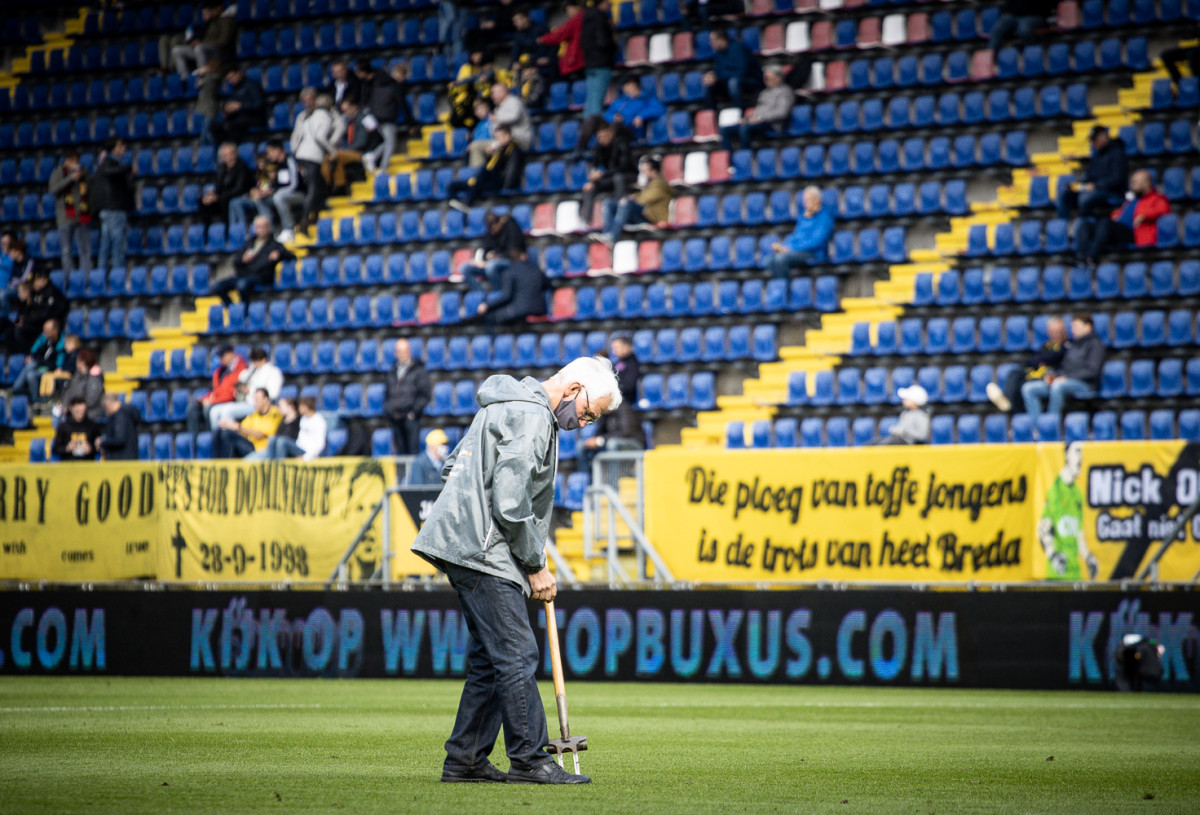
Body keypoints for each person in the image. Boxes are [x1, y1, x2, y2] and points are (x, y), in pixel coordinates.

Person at [411, 356, 622, 785]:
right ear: (575, 387)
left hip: (464, 542)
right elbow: (510, 500)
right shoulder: (533, 416)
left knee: (491, 659)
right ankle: (529, 759)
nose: (583, 424)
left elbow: (453, 466)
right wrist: (535, 564)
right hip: (486, 548)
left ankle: (466, 759)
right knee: (517, 653)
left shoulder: (500, 404)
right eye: (587, 413)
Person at [1074, 169, 1170, 267]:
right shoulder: (1132, 199)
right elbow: (1121, 211)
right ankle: (1081, 257)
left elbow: (1164, 209)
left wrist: (1144, 215)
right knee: (1085, 225)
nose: (1132, 185)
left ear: (1146, 183)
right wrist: (1115, 215)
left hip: (1134, 233)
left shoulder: (1156, 198)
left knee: (1106, 223)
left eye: (1135, 182)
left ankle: (1091, 257)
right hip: (1117, 230)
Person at [1021, 313, 1106, 420]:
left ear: (1088, 326)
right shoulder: (1073, 345)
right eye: (1072, 327)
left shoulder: (1095, 345)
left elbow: (1092, 371)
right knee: (1029, 388)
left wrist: (1066, 378)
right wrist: (1054, 376)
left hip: (1085, 385)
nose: (1073, 330)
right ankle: (1037, 427)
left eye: (1076, 327)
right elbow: (1064, 367)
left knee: (1058, 387)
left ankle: (1050, 425)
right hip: (1064, 381)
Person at [580, 336, 643, 473]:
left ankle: (613, 486)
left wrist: (600, 440)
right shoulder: (605, 409)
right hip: (613, 439)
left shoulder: (624, 407)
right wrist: (595, 439)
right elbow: (601, 430)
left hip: (632, 442)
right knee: (582, 446)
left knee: (612, 444)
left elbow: (626, 433)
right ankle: (588, 484)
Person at [1038, 442, 1098, 580]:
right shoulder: (1054, 489)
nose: (1080, 457)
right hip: (1056, 574)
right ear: (1066, 455)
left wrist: (1088, 558)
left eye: (1081, 452)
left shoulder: (1077, 493)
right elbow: (1043, 528)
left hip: (1075, 573)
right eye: (1077, 452)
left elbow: (1079, 533)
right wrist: (1053, 556)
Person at [986, 316, 1067, 414]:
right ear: (1048, 332)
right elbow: (1031, 360)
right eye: (1053, 331)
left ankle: (1009, 406)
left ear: (1063, 331)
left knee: (1024, 387)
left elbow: (1054, 357)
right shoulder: (1047, 346)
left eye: (1058, 331)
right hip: (1036, 374)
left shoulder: (1066, 346)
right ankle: (1008, 401)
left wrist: (1042, 360)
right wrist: (1041, 360)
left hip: (1049, 377)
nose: (1056, 334)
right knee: (1015, 374)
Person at [290, 92, 344, 239]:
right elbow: (320, 137)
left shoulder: (309, 117)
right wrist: (332, 151)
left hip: (302, 154)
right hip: (312, 156)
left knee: (319, 187)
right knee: (314, 190)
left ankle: (314, 216)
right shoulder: (324, 116)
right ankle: (304, 223)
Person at [212, 215, 295, 307]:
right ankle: (233, 309)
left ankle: (245, 310)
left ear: (269, 228)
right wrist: (243, 260)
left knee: (242, 285)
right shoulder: (249, 243)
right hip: (243, 275)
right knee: (217, 286)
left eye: (264, 226)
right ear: (255, 229)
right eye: (259, 227)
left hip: (261, 277)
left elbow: (292, 257)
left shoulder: (275, 245)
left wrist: (279, 254)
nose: (262, 229)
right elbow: (236, 261)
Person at [590, 156, 672, 247]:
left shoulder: (660, 185)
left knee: (627, 203)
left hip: (651, 219)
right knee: (608, 203)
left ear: (654, 172)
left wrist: (630, 199)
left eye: (645, 171)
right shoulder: (650, 185)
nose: (643, 174)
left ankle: (612, 237)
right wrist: (632, 197)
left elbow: (643, 200)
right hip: (643, 215)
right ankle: (606, 233)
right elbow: (641, 196)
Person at [1057, 126, 1129, 221]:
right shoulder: (1096, 156)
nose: (1093, 143)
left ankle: (1086, 226)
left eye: (1094, 139)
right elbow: (1090, 177)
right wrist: (1078, 185)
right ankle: (1063, 226)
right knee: (1065, 192)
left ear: (1103, 136)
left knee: (1086, 197)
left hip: (1112, 192)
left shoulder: (1117, 153)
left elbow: (1118, 179)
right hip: (1094, 190)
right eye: (1092, 140)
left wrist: (1096, 185)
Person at [577, 75, 664, 151]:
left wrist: (641, 116)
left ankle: (603, 151)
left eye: (627, 85)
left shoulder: (646, 98)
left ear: (634, 84)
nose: (625, 88)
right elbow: (607, 115)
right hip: (612, 128)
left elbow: (659, 109)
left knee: (616, 126)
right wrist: (613, 118)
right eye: (624, 86)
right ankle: (580, 149)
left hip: (630, 131)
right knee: (593, 119)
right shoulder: (621, 100)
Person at [763, 186, 835, 278]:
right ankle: (782, 287)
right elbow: (796, 236)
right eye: (804, 200)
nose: (805, 204)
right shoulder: (803, 217)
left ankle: (786, 288)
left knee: (781, 259)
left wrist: (792, 248)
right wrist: (785, 246)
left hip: (813, 253)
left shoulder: (825, 218)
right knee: (768, 261)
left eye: (808, 200)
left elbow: (817, 242)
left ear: (817, 200)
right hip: (797, 252)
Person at [577, 121, 636, 233]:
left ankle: (619, 214)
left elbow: (623, 166)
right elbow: (594, 165)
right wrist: (592, 181)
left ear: (611, 134)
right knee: (590, 188)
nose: (603, 139)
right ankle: (585, 221)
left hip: (628, 175)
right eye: (600, 137)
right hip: (610, 176)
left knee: (618, 178)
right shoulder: (599, 147)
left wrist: (603, 174)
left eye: (605, 136)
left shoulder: (622, 143)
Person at [448, 125, 525, 208]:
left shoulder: (514, 150)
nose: (496, 140)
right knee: (452, 185)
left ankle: (468, 202)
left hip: (499, 182)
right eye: (496, 137)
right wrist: (489, 155)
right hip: (486, 181)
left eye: (498, 137)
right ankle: (455, 209)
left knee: (482, 170)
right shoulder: (500, 150)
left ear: (507, 136)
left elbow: (511, 171)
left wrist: (506, 187)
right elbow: (491, 166)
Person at [719, 67, 793, 152]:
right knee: (725, 130)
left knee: (744, 128)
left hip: (771, 124)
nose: (766, 81)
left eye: (768, 78)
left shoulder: (785, 91)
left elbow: (782, 112)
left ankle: (745, 156)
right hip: (756, 122)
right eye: (765, 79)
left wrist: (760, 118)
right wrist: (747, 118)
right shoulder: (764, 92)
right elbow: (758, 111)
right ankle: (729, 158)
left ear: (778, 78)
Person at [208, 345, 284, 429]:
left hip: (257, 405)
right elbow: (241, 376)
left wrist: (250, 390)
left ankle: (227, 439)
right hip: (247, 402)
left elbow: (273, 394)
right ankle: (217, 438)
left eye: (257, 360)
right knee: (214, 411)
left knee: (226, 411)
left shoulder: (274, 372)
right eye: (253, 360)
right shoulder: (254, 370)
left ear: (264, 359)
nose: (255, 363)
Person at [90, 139, 135, 273]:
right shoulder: (109, 161)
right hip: (113, 209)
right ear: (114, 148)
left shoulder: (109, 162)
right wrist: (128, 169)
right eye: (121, 145)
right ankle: (118, 275)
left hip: (110, 209)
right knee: (117, 245)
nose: (124, 148)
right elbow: (110, 171)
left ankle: (101, 274)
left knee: (106, 244)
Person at [354, 58, 406, 174]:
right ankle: (383, 167)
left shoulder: (378, 82)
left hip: (376, 116)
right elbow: (402, 103)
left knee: (389, 141)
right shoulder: (392, 85)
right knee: (391, 142)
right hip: (386, 117)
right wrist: (411, 122)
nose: (402, 78)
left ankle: (372, 156)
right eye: (401, 75)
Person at [454, 211, 527, 291]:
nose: (492, 231)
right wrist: (484, 258)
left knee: (491, 266)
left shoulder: (510, 226)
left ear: (499, 222)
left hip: (510, 262)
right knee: (465, 268)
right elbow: (486, 249)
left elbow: (514, 252)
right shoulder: (490, 231)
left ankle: (497, 293)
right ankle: (482, 295)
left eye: (493, 228)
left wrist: (496, 257)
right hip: (490, 262)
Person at [161, 1, 236, 78]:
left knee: (199, 48)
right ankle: (184, 78)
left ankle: (202, 76)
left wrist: (202, 43)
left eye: (210, 11)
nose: (209, 13)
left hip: (218, 51)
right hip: (205, 49)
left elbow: (223, 41)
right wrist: (195, 42)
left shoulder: (227, 20)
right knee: (177, 50)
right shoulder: (211, 21)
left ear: (218, 9)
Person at [472, 248, 547, 325]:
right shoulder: (536, 270)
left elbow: (506, 296)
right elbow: (547, 285)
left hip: (520, 311)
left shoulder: (509, 272)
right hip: (539, 310)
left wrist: (487, 305)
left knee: (487, 318)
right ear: (523, 256)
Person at [48, 150, 93, 276]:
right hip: (65, 217)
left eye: (76, 160)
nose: (74, 163)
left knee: (85, 249)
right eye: (72, 161)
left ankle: (86, 277)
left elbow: (90, 190)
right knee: (66, 250)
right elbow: (53, 189)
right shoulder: (58, 173)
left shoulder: (84, 172)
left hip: (82, 216)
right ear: (66, 161)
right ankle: (69, 277)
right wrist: (70, 178)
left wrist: (82, 177)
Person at [186, 344, 247, 437]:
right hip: (217, 400)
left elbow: (231, 394)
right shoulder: (220, 371)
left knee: (208, 410)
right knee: (192, 409)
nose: (220, 359)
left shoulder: (241, 369)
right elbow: (216, 391)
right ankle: (196, 442)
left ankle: (211, 439)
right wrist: (204, 399)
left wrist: (211, 401)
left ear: (231, 354)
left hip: (230, 402)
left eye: (222, 356)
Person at [386, 338, 432, 456]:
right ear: (395, 353)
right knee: (400, 453)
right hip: (395, 419)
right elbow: (387, 393)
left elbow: (424, 394)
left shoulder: (418, 370)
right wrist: (389, 410)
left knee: (412, 453)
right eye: (400, 351)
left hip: (411, 419)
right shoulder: (392, 371)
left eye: (405, 351)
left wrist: (413, 412)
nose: (403, 354)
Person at [255, 139, 304, 243]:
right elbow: (276, 184)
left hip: (299, 194)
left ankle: (289, 230)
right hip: (281, 194)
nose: (268, 155)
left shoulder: (290, 160)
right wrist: (267, 191)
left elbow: (294, 185)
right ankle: (270, 232)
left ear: (277, 150)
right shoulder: (275, 165)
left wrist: (274, 191)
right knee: (261, 200)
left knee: (279, 197)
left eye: (270, 152)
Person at [211, 387, 281, 458]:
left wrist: (238, 427)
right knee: (218, 431)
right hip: (248, 443)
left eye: (257, 400)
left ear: (266, 400)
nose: (255, 402)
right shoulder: (255, 414)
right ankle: (214, 464)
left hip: (258, 448)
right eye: (254, 400)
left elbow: (261, 435)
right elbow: (242, 428)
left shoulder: (274, 414)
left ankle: (225, 465)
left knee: (227, 434)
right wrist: (229, 425)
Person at [207, 65, 267, 146]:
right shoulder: (234, 89)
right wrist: (227, 110)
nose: (231, 80)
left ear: (239, 73)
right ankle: (223, 148)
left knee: (231, 126)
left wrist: (240, 106)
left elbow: (259, 105)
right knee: (214, 126)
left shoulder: (252, 86)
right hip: (238, 117)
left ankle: (235, 147)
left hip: (253, 117)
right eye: (229, 79)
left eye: (232, 77)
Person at [704, 29, 763, 110]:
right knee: (708, 83)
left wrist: (719, 76)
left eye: (712, 40)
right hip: (729, 81)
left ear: (721, 40)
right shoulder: (718, 53)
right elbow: (718, 71)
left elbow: (742, 72)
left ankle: (738, 111)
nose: (710, 43)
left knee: (733, 82)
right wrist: (712, 76)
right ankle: (710, 114)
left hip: (751, 81)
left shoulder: (738, 48)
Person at [202, 142, 256, 229]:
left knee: (225, 200)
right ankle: (207, 230)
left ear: (236, 154)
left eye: (231, 154)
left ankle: (228, 229)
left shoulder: (242, 167)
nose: (229, 157)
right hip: (223, 197)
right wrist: (212, 195)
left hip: (240, 196)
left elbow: (239, 188)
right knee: (204, 202)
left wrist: (219, 197)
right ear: (222, 158)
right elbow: (218, 186)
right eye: (226, 155)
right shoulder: (221, 168)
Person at [12, 318, 65, 403]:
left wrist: (58, 366)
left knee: (31, 372)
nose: (44, 333)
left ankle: (17, 389)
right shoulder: (45, 338)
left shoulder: (61, 342)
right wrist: (32, 355)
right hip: (40, 365)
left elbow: (57, 363)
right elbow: (36, 350)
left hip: (50, 369)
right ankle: (20, 390)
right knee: (30, 365)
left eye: (46, 331)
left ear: (54, 331)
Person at [580, 0, 617, 119]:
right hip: (601, 64)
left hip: (590, 64)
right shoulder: (600, 19)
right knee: (596, 104)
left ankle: (587, 130)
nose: (609, 6)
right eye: (607, 3)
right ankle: (593, 132)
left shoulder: (586, 19)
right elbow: (603, 42)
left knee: (590, 103)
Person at [260, 395, 326, 460]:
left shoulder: (319, 420)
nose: (299, 408)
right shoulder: (304, 419)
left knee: (282, 442)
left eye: (301, 406)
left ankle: (279, 468)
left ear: (306, 407)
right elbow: (300, 439)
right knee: (272, 439)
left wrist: (306, 457)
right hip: (298, 449)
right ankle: (269, 467)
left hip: (308, 453)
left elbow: (320, 444)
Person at [330, 97, 376, 191]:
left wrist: (345, 150)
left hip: (364, 153)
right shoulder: (352, 121)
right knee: (334, 156)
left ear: (354, 107)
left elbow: (362, 142)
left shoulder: (363, 119)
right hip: (355, 151)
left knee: (337, 154)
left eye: (346, 110)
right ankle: (339, 184)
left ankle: (340, 186)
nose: (345, 114)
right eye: (343, 111)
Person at [538, 1, 585, 80]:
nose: (568, 14)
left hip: (577, 60)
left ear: (573, 7)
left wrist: (542, 39)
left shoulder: (577, 18)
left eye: (567, 10)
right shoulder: (587, 15)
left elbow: (558, 35)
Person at [58, 347, 105, 422]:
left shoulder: (94, 378)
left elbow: (91, 400)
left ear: (82, 362)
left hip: (90, 413)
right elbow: (69, 392)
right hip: (73, 411)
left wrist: (76, 408)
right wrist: (65, 405)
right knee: (57, 416)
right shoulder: (76, 377)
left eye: (78, 360)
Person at [988, 0, 1053, 51]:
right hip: (1013, 15)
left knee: (1024, 29)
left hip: (1035, 15)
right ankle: (990, 57)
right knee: (998, 27)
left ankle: (1032, 55)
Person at [98, 392, 141, 461]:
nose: (107, 411)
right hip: (127, 458)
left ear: (108, 405)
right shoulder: (126, 414)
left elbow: (120, 439)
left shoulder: (120, 417)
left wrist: (103, 441)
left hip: (121, 460)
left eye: (106, 408)